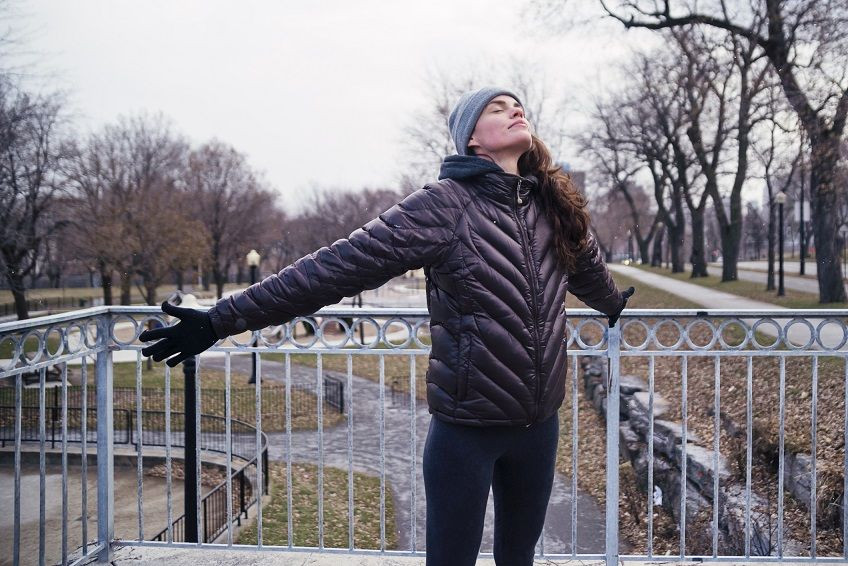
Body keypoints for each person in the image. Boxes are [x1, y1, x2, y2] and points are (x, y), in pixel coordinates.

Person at [140, 86, 634, 566]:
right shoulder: (445, 205)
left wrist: (612, 301)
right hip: (468, 431)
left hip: (539, 425)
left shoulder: (549, 202)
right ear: (472, 140)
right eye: (498, 108)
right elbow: (334, 267)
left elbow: (584, 266)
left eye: (517, 106)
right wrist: (220, 320)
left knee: (518, 557)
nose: (515, 111)